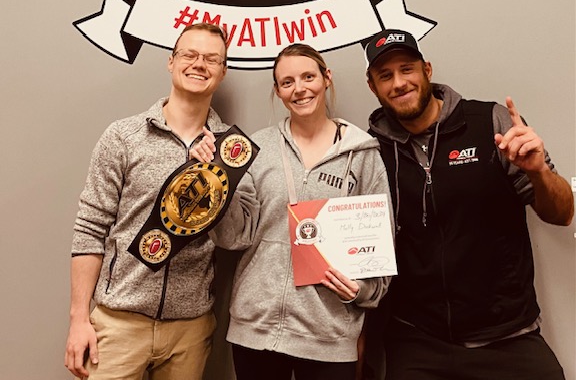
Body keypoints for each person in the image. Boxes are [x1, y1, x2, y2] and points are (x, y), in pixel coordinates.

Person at [363, 28, 574, 380]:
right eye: (385, 75)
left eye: (407, 69)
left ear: (427, 70)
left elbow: (563, 214)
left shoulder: (490, 122)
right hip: (417, 340)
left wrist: (538, 172)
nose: (399, 83)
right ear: (372, 86)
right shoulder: (369, 150)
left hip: (507, 335)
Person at [191, 43, 393, 380]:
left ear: (326, 78)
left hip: (329, 335)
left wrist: (364, 290)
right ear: (278, 91)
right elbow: (234, 237)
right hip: (256, 331)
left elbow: (379, 246)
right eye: (287, 82)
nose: (299, 89)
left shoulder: (362, 156)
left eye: (308, 77)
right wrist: (215, 181)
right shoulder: (257, 149)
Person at [64, 23, 230, 380]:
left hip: (190, 328)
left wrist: (214, 178)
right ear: (171, 61)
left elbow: (235, 237)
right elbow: (90, 228)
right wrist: (78, 319)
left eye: (211, 59)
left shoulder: (231, 151)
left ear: (222, 71)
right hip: (119, 323)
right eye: (189, 54)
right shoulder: (123, 136)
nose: (199, 64)